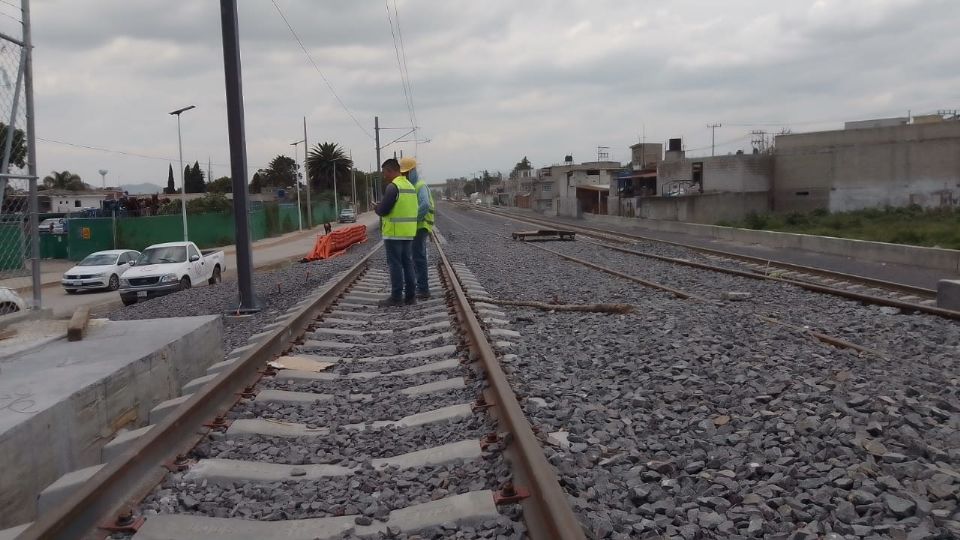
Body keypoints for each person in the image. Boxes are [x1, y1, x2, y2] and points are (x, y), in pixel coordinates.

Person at [375, 158, 418, 307]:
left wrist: (376, 208)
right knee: (408, 263)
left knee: (395, 264)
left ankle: (396, 297)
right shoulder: (410, 186)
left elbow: (383, 210)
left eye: (384, 172)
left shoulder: (393, 187)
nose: (384, 176)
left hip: (394, 233)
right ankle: (411, 297)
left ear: (390, 170)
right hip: (408, 232)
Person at [399, 157, 435, 300]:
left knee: (418, 258)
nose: (405, 176)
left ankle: (423, 289)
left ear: (413, 170)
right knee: (415, 257)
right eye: (404, 173)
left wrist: (413, 220)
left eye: (407, 172)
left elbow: (425, 205)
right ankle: (417, 287)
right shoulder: (412, 187)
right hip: (415, 227)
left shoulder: (420, 185)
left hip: (420, 226)